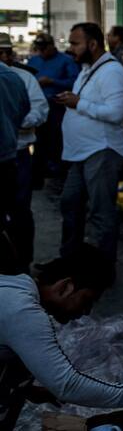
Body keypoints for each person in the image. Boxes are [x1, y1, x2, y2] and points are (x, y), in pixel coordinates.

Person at [0, 244, 123, 431]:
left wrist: (27, 389)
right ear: (66, 287)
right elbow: (67, 385)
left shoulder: (14, 287)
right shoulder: (24, 312)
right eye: (86, 301)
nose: (86, 312)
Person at [57, 23, 123, 260]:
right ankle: (70, 262)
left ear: (92, 44)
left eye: (75, 43)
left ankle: (102, 270)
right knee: (70, 204)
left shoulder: (112, 71)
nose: (71, 49)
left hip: (102, 150)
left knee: (101, 212)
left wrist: (78, 103)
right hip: (83, 152)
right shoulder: (89, 69)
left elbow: (116, 113)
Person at [0, 34, 48, 271]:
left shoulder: (23, 78)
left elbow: (38, 110)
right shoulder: (13, 78)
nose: (5, 56)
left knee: (20, 211)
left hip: (18, 153)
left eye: (7, 52)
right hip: (9, 154)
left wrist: (14, 121)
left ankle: (22, 264)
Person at [27, 33, 79, 185]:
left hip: (58, 107)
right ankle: (38, 176)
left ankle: (60, 175)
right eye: (39, 48)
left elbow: (74, 81)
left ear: (52, 45)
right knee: (38, 141)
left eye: (44, 48)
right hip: (37, 106)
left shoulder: (66, 61)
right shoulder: (34, 60)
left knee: (57, 140)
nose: (42, 51)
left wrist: (52, 81)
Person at [0, 62, 30, 275]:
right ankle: (18, 270)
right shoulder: (12, 77)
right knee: (12, 215)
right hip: (7, 159)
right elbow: (22, 111)